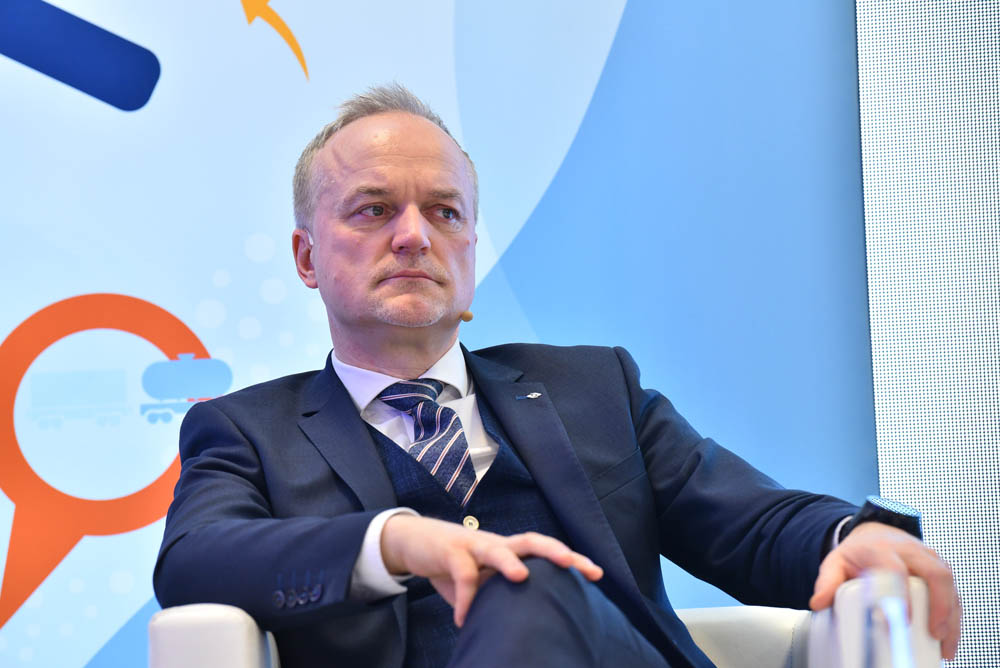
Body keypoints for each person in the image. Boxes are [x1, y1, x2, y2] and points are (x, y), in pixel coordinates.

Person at [153, 84, 960, 667]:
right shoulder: (247, 432)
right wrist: (397, 541)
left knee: (522, 577)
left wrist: (854, 534)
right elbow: (196, 560)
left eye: (445, 212)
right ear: (306, 258)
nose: (413, 237)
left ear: (472, 248)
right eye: (373, 209)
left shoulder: (594, 390)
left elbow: (749, 523)